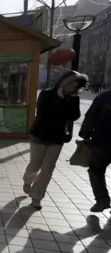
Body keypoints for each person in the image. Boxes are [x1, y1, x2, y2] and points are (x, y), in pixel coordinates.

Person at [24, 71, 88, 209]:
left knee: (47, 170)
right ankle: (27, 180)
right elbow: (43, 113)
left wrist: (69, 100)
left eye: (75, 86)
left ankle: (37, 197)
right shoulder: (46, 94)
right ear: (63, 82)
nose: (72, 88)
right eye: (70, 84)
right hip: (39, 136)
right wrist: (59, 100)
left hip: (57, 139)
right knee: (35, 165)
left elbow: (74, 116)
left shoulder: (72, 99)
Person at [79, 89, 111, 212]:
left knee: (96, 172)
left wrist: (85, 134)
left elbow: (90, 116)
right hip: (101, 143)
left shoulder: (104, 97)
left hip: (101, 143)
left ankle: (102, 200)